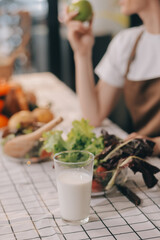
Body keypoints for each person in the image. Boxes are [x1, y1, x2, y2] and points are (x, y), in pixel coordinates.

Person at [63, 0, 160, 156]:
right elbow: (93, 116)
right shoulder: (126, 43)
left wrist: (155, 144)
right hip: (147, 163)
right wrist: (82, 53)